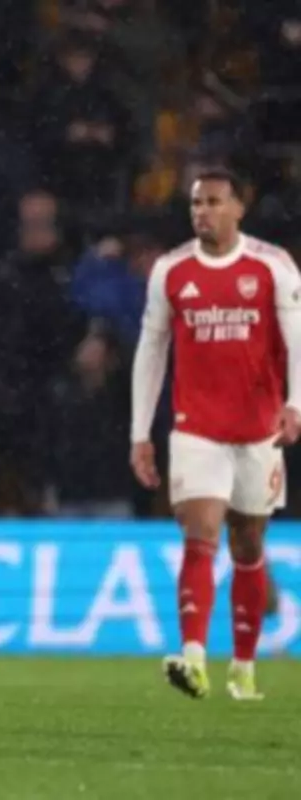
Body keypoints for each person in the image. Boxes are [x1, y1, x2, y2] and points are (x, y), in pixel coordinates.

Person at [130, 168, 301, 701]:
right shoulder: (171, 270)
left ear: (238, 208)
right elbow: (151, 350)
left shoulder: (272, 266)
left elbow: (298, 339)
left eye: (213, 202)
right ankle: (194, 658)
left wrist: (295, 404)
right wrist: (140, 432)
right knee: (200, 533)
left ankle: (243, 668)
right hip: (196, 428)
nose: (202, 211)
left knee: (248, 543)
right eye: (196, 203)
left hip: (258, 429)